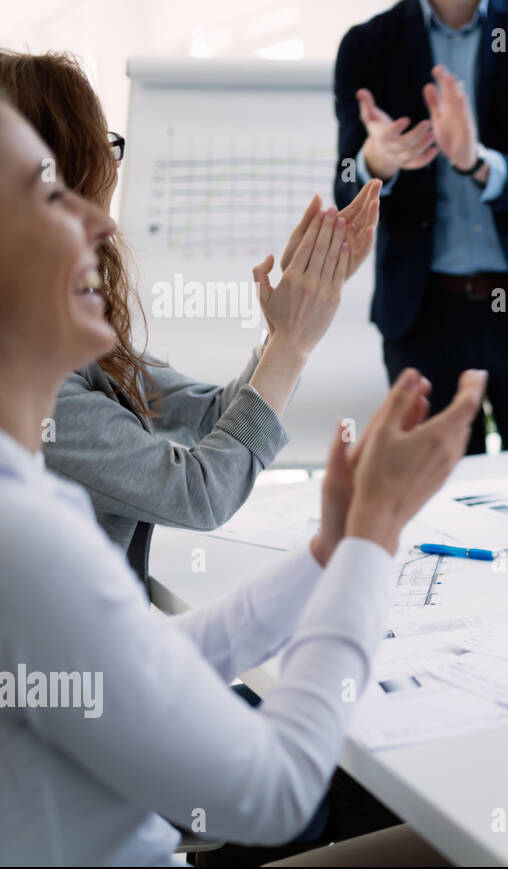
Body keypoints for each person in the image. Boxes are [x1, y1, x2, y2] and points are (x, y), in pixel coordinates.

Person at [0, 93, 486, 864]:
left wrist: (329, 552)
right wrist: (371, 541)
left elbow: (146, 663)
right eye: (47, 196)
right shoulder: (26, 536)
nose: (100, 220)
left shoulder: (28, 498)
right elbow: (278, 792)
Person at [0, 51, 382, 588]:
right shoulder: (39, 385)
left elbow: (208, 415)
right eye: (95, 150)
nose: (107, 224)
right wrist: (291, 343)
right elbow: (198, 493)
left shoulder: (67, 338)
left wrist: (285, 330)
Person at [334, 0, 508, 455]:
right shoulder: (366, 45)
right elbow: (345, 185)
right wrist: (375, 161)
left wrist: (479, 163)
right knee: (430, 506)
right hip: (423, 315)